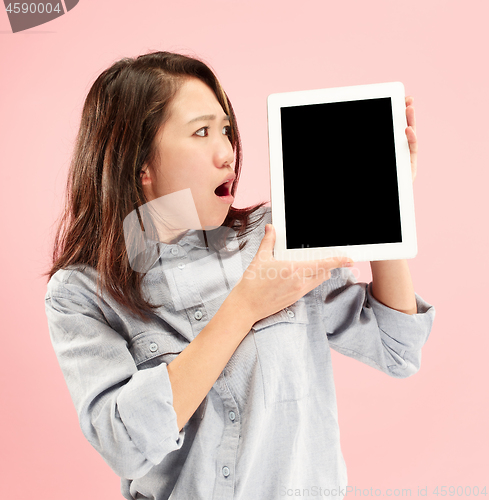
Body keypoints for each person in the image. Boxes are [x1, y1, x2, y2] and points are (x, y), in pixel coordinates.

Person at [44, 51, 435, 500]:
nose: (227, 152)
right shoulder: (79, 293)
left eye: (226, 129)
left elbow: (398, 349)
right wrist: (245, 306)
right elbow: (127, 444)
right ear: (140, 164)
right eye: (202, 131)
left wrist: (388, 203)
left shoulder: (271, 236)